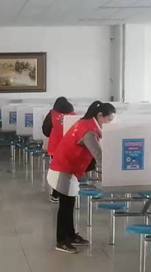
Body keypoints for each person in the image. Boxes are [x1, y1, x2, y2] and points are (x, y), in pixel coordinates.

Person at [47, 100, 115, 254]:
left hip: (68, 168)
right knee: (65, 206)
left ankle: (71, 236)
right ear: (100, 115)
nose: (110, 124)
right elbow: (98, 155)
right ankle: (61, 241)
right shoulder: (89, 131)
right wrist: (111, 173)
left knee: (69, 203)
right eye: (109, 120)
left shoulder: (86, 124)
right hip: (62, 168)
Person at [42, 96, 75, 204]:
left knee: (57, 171)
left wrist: (54, 133)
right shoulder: (73, 114)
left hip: (56, 147)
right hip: (70, 147)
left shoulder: (52, 114)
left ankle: (55, 195)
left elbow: (45, 130)